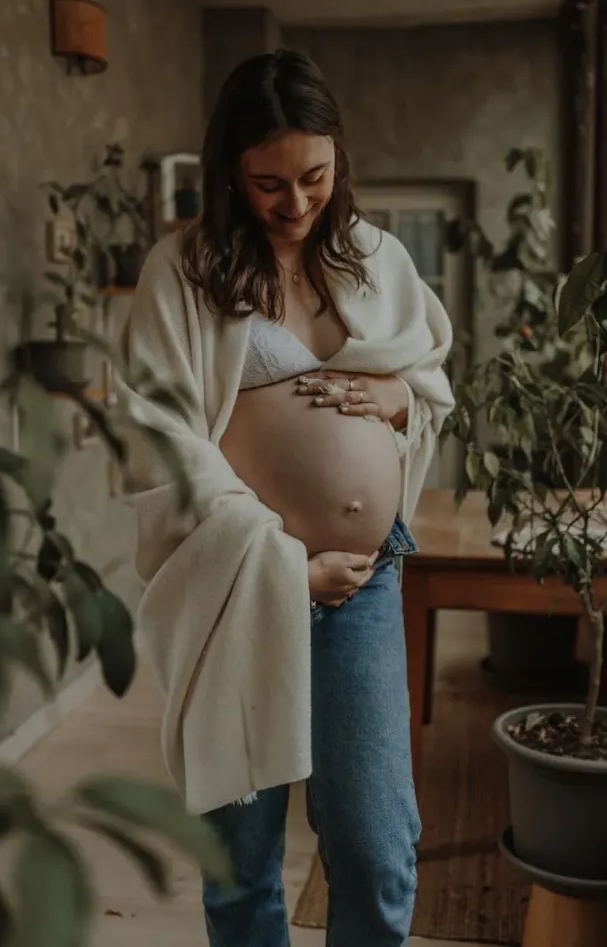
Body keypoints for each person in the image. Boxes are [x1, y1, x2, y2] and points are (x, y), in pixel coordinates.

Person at [119, 49, 454, 947]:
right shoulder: (182, 272)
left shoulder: (377, 258)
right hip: (239, 595)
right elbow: (157, 437)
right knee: (241, 861)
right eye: (270, 184)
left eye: (315, 175)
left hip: (365, 587)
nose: (297, 204)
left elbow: (424, 375)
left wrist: (401, 399)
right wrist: (283, 566)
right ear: (231, 171)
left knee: (379, 847)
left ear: (339, 158)